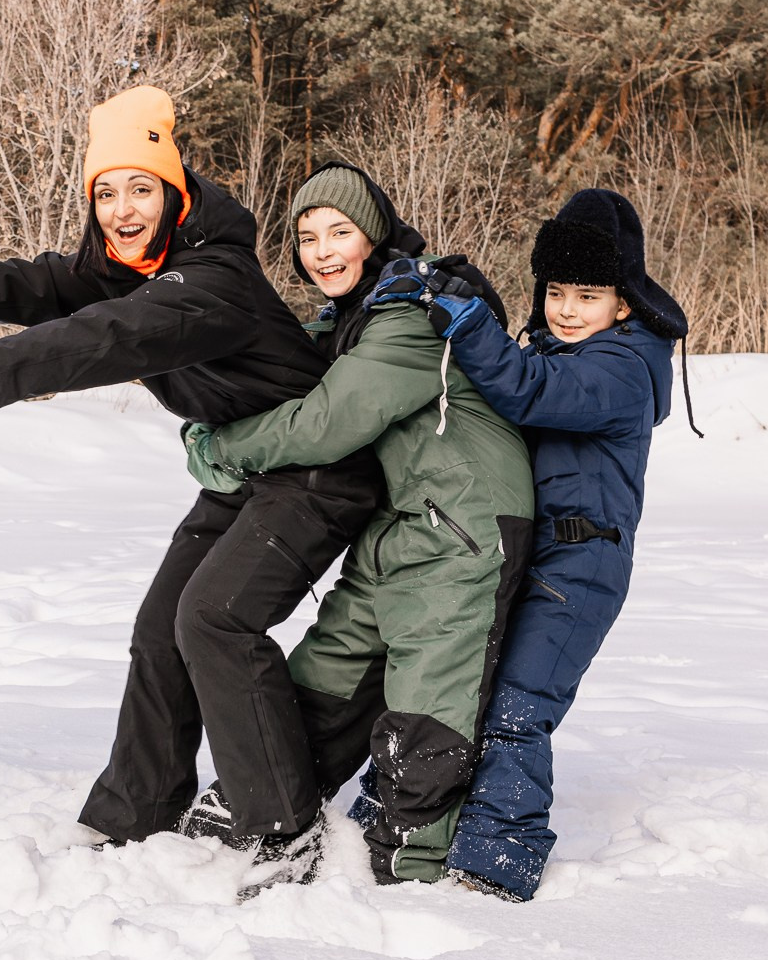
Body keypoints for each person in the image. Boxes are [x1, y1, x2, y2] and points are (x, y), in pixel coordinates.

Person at [0, 87, 385, 895]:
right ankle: (139, 806)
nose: (121, 208)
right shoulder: (127, 267)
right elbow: (22, 287)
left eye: (141, 187)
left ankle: (282, 824)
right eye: (106, 191)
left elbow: (101, 339)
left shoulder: (214, 276)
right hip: (243, 470)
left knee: (213, 617)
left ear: (175, 192)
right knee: (159, 627)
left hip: (317, 475)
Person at [185, 164, 533, 885]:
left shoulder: (407, 318)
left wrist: (220, 450)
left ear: (373, 236)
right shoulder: (353, 320)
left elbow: (327, 421)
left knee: (427, 697)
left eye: (339, 231)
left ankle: (411, 860)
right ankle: (275, 796)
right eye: (307, 236)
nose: (323, 249)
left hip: (466, 524)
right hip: (402, 521)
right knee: (328, 671)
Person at [375, 188, 688, 901]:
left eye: (589, 294)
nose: (568, 308)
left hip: (582, 564)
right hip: (524, 551)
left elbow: (531, 391)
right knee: (465, 681)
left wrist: (473, 322)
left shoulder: (623, 368)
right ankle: (413, 812)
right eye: (555, 291)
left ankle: (498, 861)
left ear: (624, 303)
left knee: (519, 702)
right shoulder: (548, 345)